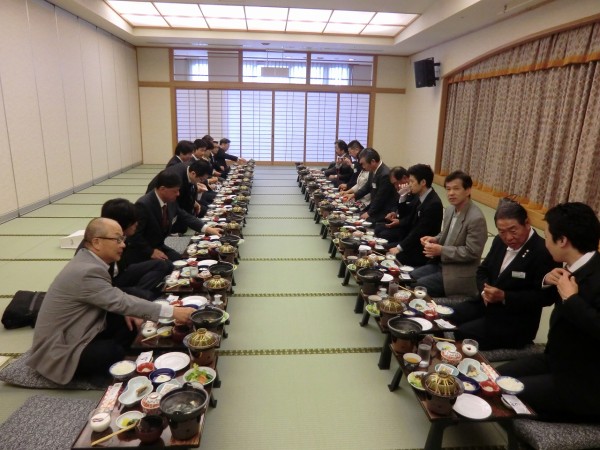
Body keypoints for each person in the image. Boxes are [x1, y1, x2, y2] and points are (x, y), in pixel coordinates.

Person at [28, 218, 196, 385]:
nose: (123, 245)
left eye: (123, 239)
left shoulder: (89, 259)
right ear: (97, 242)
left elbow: (114, 298)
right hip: (60, 348)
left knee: (130, 323)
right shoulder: (86, 271)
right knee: (112, 352)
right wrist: (173, 312)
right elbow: (121, 301)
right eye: (117, 240)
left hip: (81, 326)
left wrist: (126, 310)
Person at [498, 202, 600, 422]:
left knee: (506, 394)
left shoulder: (596, 275)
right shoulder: (572, 268)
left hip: (584, 381)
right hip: (556, 359)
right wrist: (547, 280)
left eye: (547, 236)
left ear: (562, 240)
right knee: (494, 377)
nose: (545, 242)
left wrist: (572, 299)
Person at [451, 200, 558, 349]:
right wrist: (484, 292)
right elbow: (482, 270)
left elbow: (546, 298)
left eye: (513, 231)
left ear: (527, 223)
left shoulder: (543, 251)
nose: (508, 237)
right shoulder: (499, 241)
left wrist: (505, 296)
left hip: (515, 319)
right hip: (486, 303)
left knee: (463, 333)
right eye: (502, 232)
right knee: (450, 317)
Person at [410, 170, 487, 297]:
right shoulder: (450, 209)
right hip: (441, 263)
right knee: (408, 277)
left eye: (456, 189)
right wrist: (435, 239)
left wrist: (441, 250)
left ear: (468, 190)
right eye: (448, 189)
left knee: (417, 286)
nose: (451, 193)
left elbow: (472, 252)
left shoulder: (476, 218)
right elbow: (446, 233)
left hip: (458, 272)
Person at [84, 198, 173, 300]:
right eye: (133, 221)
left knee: (162, 264)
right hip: (109, 285)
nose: (137, 224)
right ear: (122, 222)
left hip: (121, 273)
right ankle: (138, 295)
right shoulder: (102, 242)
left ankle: (138, 293)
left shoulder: (121, 237)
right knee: (148, 295)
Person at [127, 170, 222, 264]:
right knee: (168, 266)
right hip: (142, 251)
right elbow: (134, 236)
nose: (178, 194)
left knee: (180, 260)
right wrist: (150, 252)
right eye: (175, 191)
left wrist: (208, 229)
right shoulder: (143, 205)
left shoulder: (169, 200)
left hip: (158, 245)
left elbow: (185, 216)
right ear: (163, 189)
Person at [386, 164, 444, 267]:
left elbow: (419, 232)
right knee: (384, 247)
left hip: (421, 249)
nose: (409, 184)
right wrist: (402, 197)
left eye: (412, 181)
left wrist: (399, 248)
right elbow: (406, 216)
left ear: (423, 182)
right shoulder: (420, 195)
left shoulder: (433, 203)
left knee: (391, 256)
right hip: (411, 241)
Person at [147, 160, 212, 232]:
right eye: (201, 179)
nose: (201, 182)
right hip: (158, 200)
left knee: (198, 211)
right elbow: (177, 203)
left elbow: (187, 191)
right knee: (182, 225)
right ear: (193, 173)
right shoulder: (177, 178)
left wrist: (194, 202)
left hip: (172, 196)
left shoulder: (190, 169)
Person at [346, 148, 396, 223]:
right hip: (375, 207)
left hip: (384, 211)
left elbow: (380, 198)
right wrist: (354, 195)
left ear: (373, 161)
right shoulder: (373, 170)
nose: (363, 167)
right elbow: (367, 187)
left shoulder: (385, 175)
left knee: (361, 220)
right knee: (354, 215)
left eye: (363, 164)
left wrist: (369, 213)